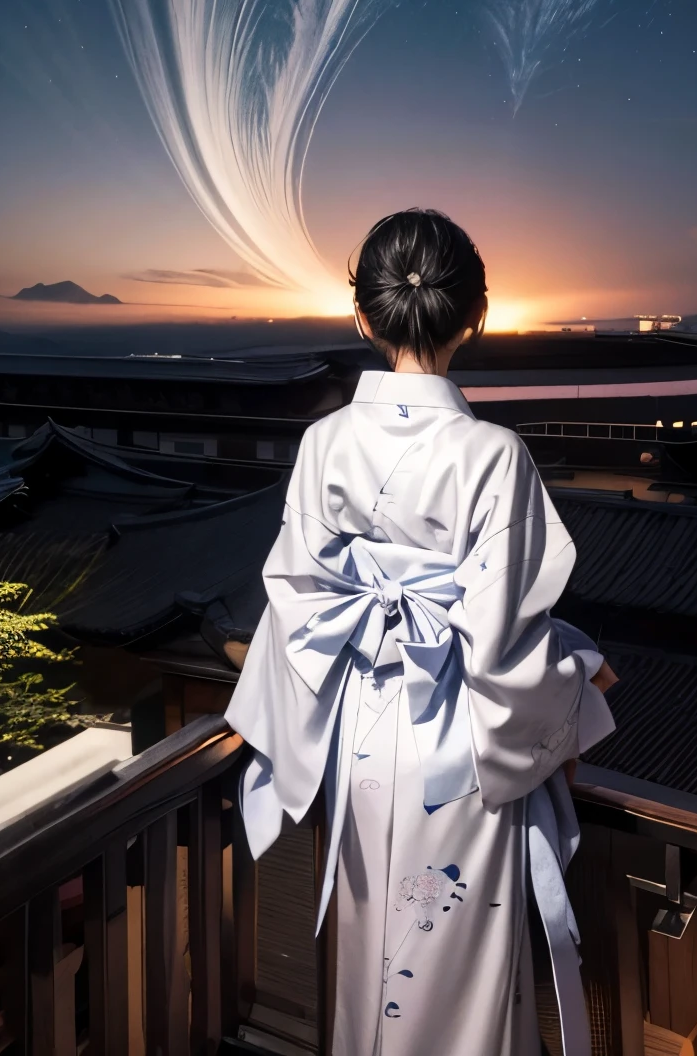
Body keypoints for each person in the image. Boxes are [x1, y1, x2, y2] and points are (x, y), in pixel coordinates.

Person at [226, 208, 618, 1056]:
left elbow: (297, 600)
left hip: (364, 740)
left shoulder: (324, 442)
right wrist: (577, 679)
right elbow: (504, 647)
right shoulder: (492, 455)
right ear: (476, 316)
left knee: (371, 973)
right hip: (458, 751)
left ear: (363, 315)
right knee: (461, 982)